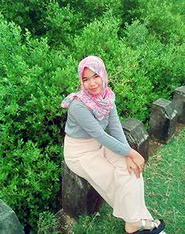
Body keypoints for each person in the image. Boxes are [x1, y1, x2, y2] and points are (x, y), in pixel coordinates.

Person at [61, 55, 166, 234]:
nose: (92, 83)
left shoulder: (107, 98)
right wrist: (132, 153)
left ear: (103, 75)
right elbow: (100, 135)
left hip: (100, 146)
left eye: (95, 76)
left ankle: (137, 220)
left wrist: (128, 155)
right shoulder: (78, 105)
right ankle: (136, 222)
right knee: (111, 177)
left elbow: (116, 129)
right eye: (85, 79)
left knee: (132, 170)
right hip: (79, 154)